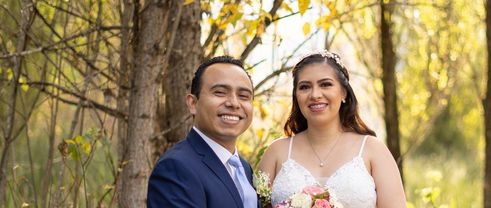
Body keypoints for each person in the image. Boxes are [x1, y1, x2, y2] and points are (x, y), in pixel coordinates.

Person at [258, 51, 406, 208]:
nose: (315, 94)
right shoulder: (276, 152)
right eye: (305, 87)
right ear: (296, 96)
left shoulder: (373, 149)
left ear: (343, 92)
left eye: (325, 84)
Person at [147, 56, 259, 208]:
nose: (233, 103)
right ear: (193, 103)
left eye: (244, 96)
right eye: (220, 92)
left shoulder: (244, 168)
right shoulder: (176, 168)